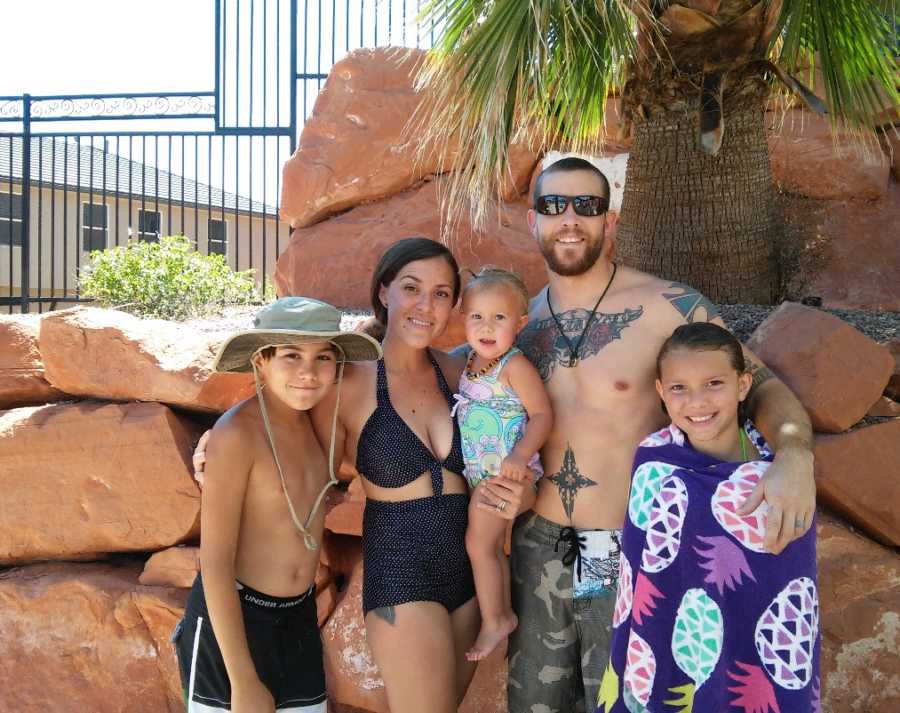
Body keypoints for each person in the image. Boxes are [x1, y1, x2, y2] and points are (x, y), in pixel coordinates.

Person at [508, 156, 816, 713]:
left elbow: (759, 385)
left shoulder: (666, 306)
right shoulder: (519, 322)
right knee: (534, 703)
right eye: (554, 206)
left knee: (625, 699)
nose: (570, 218)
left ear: (611, 220)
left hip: (629, 545)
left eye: (588, 205)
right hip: (539, 545)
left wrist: (794, 454)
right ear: (534, 222)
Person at [194, 238, 535, 713]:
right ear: (383, 292)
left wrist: (525, 494)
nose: (425, 305)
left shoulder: (465, 374)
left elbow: (518, 447)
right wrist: (216, 441)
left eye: (441, 293)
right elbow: (278, 419)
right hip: (401, 571)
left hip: (468, 573)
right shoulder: (346, 381)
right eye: (411, 288)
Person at [597, 322, 819, 713]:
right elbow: (640, 585)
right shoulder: (654, 465)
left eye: (714, 383)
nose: (697, 402)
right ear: (661, 393)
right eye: (679, 388)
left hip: (759, 664)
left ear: (743, 385)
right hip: (674, 654)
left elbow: (794, 581)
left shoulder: (782, 474)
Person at [173, 297, 381, 713]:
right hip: (233, 625)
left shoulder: (319, 426)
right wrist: (243, 679)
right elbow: (214, 562)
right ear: (260, 362)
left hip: (296, 618)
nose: (308, 372)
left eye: (324, 357)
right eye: (291, 355)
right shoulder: (236, 435)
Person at [452, 266, 553, 662]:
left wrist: (519, 456)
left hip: (506, 475)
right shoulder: (470, 362)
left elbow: (542, 415)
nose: (486, 327)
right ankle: (499, 613)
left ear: (520, 323)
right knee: (487, 545)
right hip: (483, 475)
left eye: (499, 318)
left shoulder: (514, 366)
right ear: (464, 319)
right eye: (477, 316)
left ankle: (497, 618)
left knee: (480, 544)